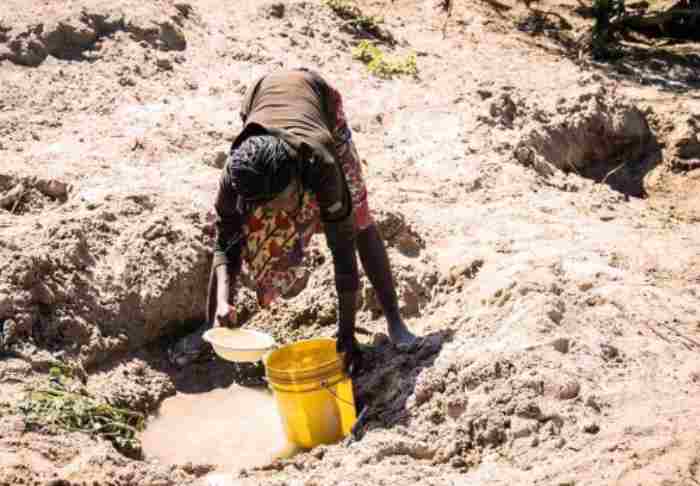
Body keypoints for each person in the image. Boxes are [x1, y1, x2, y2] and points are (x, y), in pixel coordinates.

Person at [170, 68, 417, 371]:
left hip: (317, 97)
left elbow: (343, 254)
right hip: (262, 96)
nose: (276, 213)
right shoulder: (238, 174)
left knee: (359, 221)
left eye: (280, 201)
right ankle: (211, 328)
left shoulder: (321, 163)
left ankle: (395, 320)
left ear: (297, 180)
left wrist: (346, 333)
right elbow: (226, 241)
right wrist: (224, 301)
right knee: (240, 230)